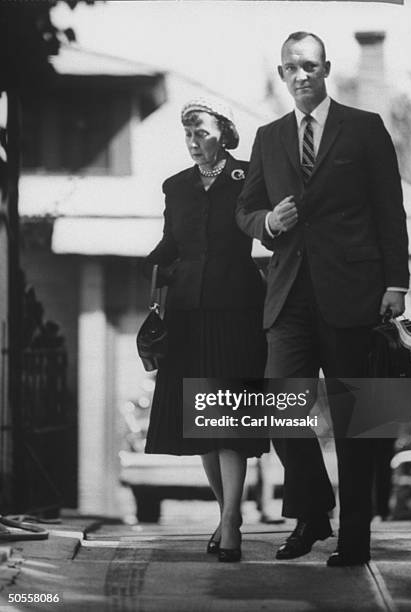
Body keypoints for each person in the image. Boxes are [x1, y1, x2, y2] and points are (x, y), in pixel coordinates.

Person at [236, 31, 409, 566]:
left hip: (356, 296)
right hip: (289, 296)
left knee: (360, 420)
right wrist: (268, 221)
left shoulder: (364, 128)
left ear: (326, 68)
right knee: (278, 409)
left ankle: (355, 538)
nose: (301, 74)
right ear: (282, 73)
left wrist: (395, 283)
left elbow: (389, 209)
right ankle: (314, 510)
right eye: (291, 67)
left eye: (310, 65)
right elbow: (245, 210)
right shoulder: (268, 137)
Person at [144, 99, 268, 562]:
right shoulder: (174, 186)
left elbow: (264, 228)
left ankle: (233, 522)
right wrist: (153, 267)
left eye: (202, 133)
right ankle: (226, 515)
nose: (195, 142)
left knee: (228, 417)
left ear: (225, 132)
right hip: (186, 313)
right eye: (188, 135)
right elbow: (171, 242)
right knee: (203, 423)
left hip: (237, 308)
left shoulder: (247, 175)